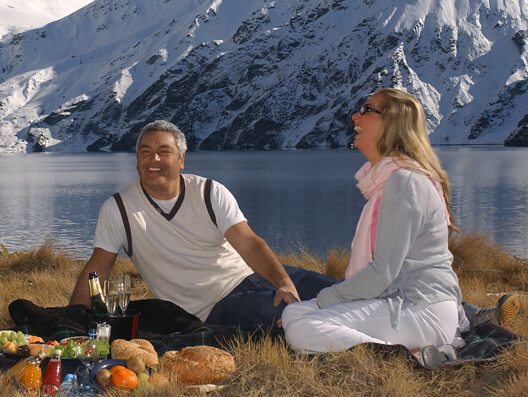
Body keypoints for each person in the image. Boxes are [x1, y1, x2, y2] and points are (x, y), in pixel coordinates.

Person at [68, 120, 336, 336]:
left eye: (164, 151)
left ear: (181, 160)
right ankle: (354, 340)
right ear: (137, 160)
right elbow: (98, 268)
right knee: (289, 317)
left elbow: (249, 242)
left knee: (341, 293)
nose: (154, 159)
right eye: (145, 152)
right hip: (215, 306)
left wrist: (284, 282)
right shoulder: (118, 209)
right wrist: (72, 321)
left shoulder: (209, 192)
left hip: (251, 276)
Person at [281, 88, 464, 366]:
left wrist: (327, 298)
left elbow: (383, 274)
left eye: (367, 110)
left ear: (392, 122)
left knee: (302, 327)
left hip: (421, 309)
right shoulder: (393, 180)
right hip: (403, 304)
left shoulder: (405, 183)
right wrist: (328, 301)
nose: (355, 115)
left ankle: (404, 358)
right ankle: (416, 350)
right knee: (292, 315)